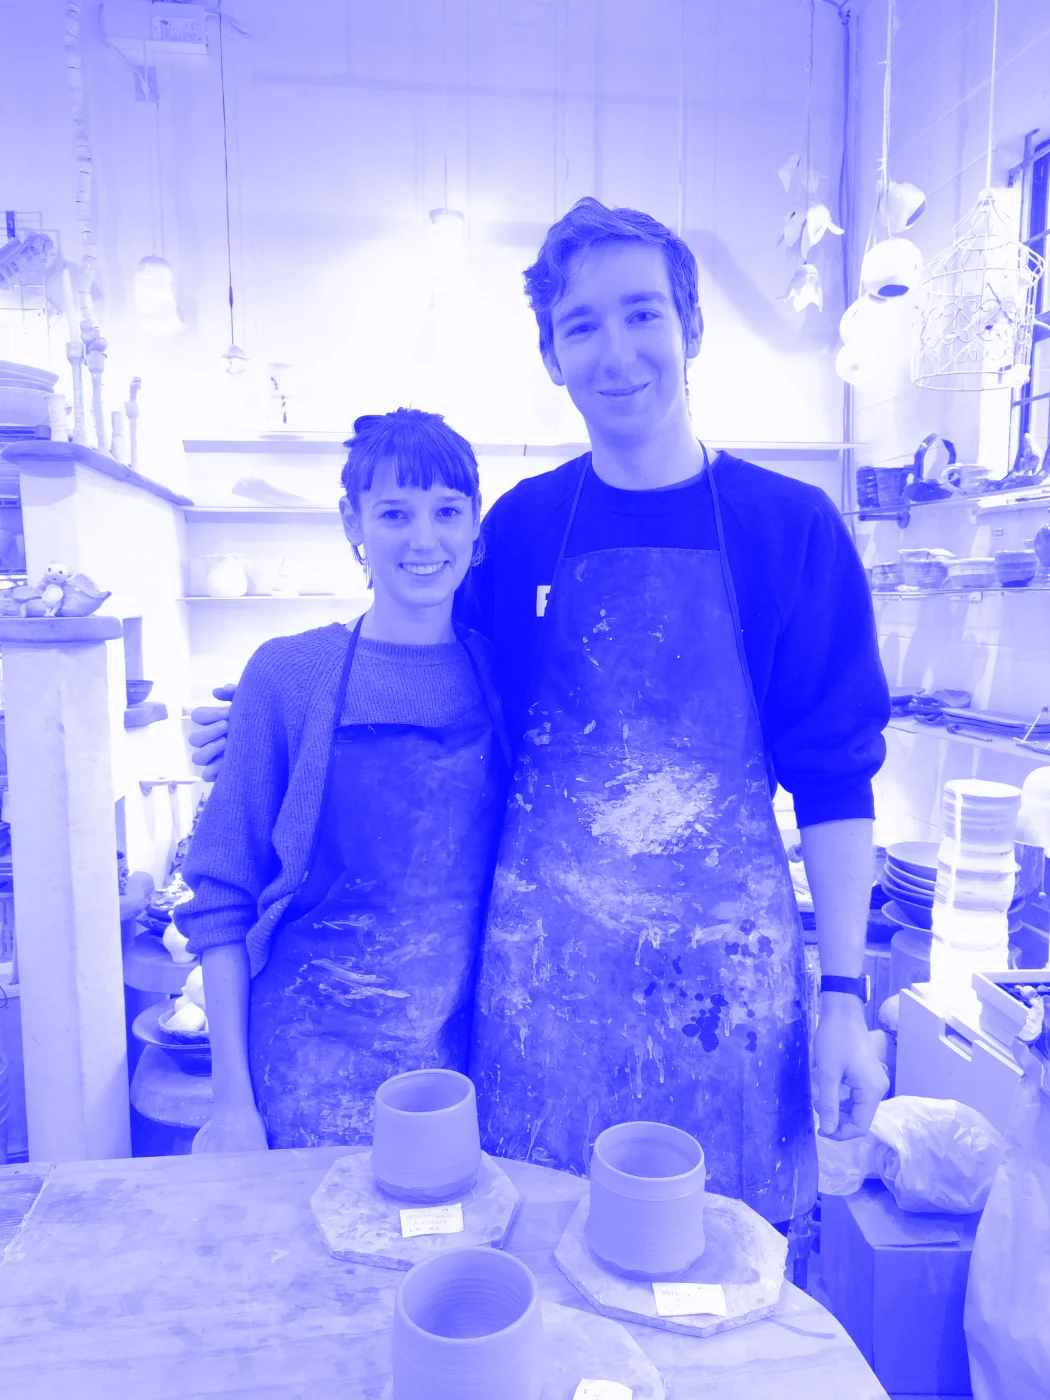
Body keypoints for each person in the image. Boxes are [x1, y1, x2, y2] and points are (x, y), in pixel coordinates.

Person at [190, 199, 890, 1226]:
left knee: (722, 1285)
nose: (618, 351)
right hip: (538, 1000)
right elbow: (431, 670)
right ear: (553, 356)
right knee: (539, 1271)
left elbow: (835, 779)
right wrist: (270, 724)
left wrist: (843, 994)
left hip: (728, 993)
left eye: (642, 314)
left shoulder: (790, 528)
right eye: (584, 325)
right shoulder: (516, 532)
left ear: (692, 328)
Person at [175, 409, 509, 1152]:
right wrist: (231, 1105)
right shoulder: (289, 675)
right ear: (351, 523)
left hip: (460, 1074)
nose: (424, 539)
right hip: (304, 1069)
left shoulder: (505, 680)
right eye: (394, 513)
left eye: (446, 511)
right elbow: (223, 899)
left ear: (475, 526)